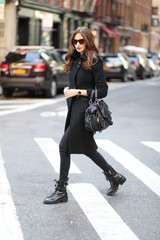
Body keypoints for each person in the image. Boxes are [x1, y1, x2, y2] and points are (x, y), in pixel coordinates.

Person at [43, 27, 126, 204]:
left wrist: (78, 92)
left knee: (64, 147)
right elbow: (74, 85)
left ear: (88, 41)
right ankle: (114, 176)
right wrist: (68, 90)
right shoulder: (74, 60)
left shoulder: (94, 60)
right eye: (75, 41)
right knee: (88, 149)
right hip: (74, 109)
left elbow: (102, 90)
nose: (78, 44)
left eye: (81, 41)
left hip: (84, 112)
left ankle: (61, 190)